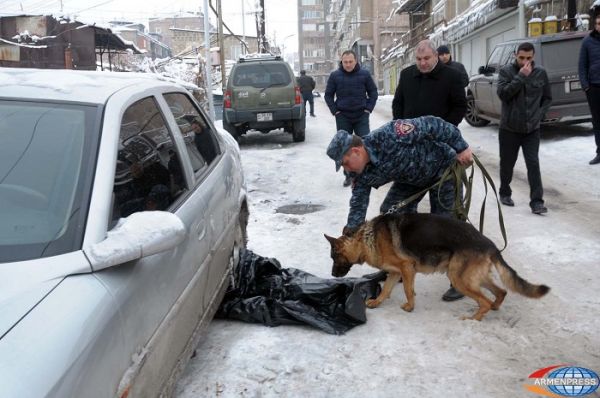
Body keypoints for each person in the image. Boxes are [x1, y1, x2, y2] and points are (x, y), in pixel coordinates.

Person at [326, 116, 473, 301]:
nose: (347, 170)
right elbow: (358, 203)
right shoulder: (361, 173)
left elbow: (434, 125)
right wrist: (350, 233)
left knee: (447, 225)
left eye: (346, 163)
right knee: (390, 214)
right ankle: (396, 267)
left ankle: (462, 279)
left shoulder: (391, 135)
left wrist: (461, 147)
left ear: (355, 151)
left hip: (443, 169)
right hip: (411, 180)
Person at [497, 42, 552, 215]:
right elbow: (503, 94)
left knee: (533, 164)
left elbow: (547, 98)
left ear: (533, 56)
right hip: (509, 128)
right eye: (521, 58)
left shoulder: (540, 73)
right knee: (507, 163)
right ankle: (505, 192)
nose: (525, 61)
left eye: (528, 58)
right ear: (516, 55)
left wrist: (539, 115)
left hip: (531, 129)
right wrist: (520, 76)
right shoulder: (506, 72)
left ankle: (537, 201)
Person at [325, 50, 378, 186]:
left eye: (350, 62)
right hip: (343, 116)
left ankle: (366, 173)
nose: (348, 65)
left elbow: (373, 92)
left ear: (356, 61)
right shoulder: (335, 76)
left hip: (361, 115)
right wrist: (335, 111)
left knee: (365, 144)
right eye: (345, 62)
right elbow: (328, 95)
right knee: (345, 147)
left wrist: (368, 109)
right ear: (341, 62)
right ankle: (348, 175)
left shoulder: (364, 74)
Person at [392, 40, 466, 126]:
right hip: (411, 135)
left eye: (426, 58)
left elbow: (460, 106)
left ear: (436, 55)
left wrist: (445, 128)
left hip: (440, 136)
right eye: (419, 59)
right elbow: (398, 103)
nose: (422, 63)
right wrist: (401, 126)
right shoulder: (406, 75)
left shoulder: (452, 76)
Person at [579, 13, 600, 165]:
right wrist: (586, 86)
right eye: (598, 23)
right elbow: (582, 65)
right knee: (598, 122)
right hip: (594, 88)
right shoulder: (587, 41)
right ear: (595, 25)